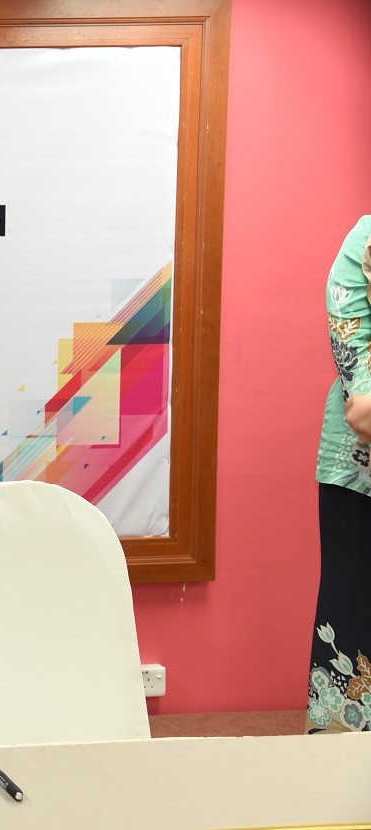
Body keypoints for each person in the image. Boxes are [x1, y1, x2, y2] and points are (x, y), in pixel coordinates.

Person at [311, 214, 371, 734]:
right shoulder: (365, 241)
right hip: (359, 473)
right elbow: (364, 410)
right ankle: (341, 754)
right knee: (350, 612)